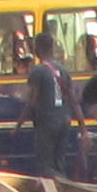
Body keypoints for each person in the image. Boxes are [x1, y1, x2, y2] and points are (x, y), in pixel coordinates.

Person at [22, 29, 73, 180]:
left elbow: (32, 100)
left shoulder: (37, 71)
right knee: (59, 162)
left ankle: (56, 191)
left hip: (47, 122)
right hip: (64, 120)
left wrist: (19, 124)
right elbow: (73, 99)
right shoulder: (63, 70)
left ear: (36, 49)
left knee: (45, 165)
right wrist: (82, 127)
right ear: (52, 48)